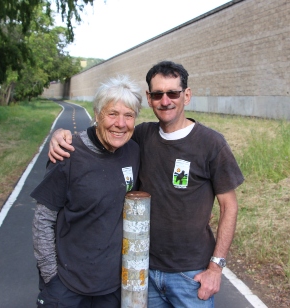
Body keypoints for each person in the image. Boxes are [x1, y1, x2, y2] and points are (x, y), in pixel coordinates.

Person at [48, 61, 244, 307]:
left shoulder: (212, 144)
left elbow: (230, 207)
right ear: (149, 99)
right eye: (157, 94)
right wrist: (63, 136)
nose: (166, 101)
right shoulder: (141, 136)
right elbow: (107, 132)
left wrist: (216, 268)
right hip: (142, 270)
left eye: (173, 93)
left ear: (187, 95)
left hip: (190, 275)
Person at [31, 75, 142, 308]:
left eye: (128, 115)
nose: (120, 123)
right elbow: (43, 219)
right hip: (67, 285)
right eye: (112, 114)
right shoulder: (68, 153)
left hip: (111, 287)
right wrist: (52, 277)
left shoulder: (134, 151)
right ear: (97, 114)